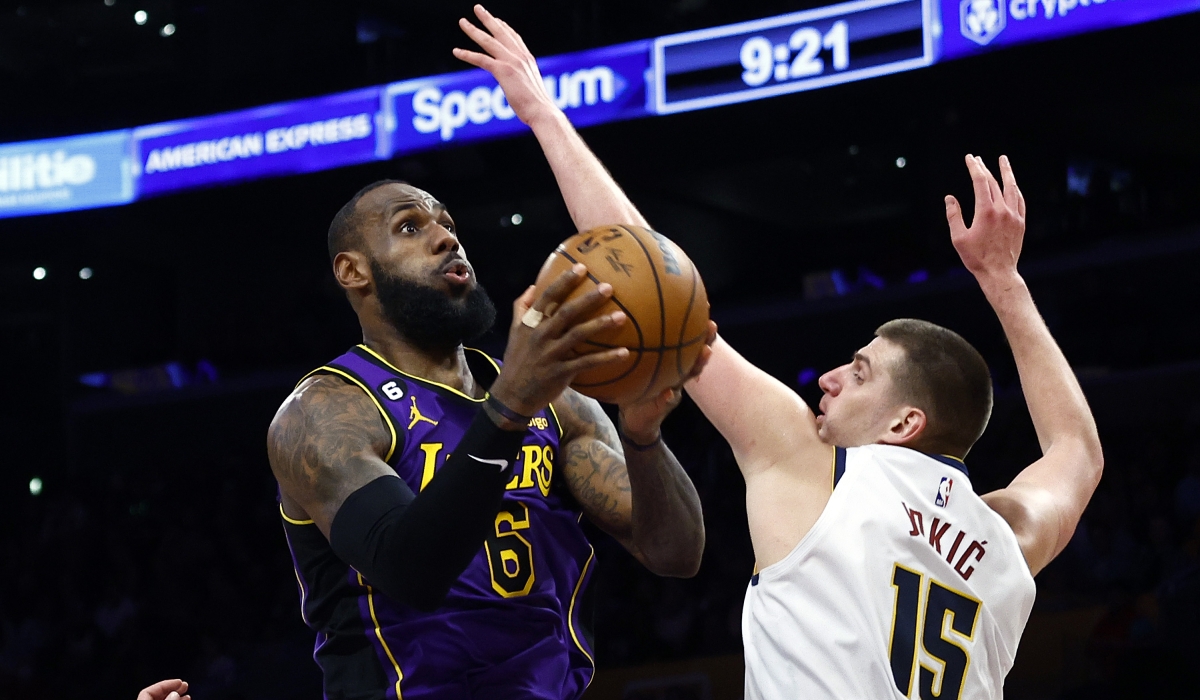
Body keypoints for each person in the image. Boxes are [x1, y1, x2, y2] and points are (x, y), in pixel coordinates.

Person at [266, 6, 708, 699]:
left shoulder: (559, 402)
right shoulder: (324, 414)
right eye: (410, 228)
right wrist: (508, 408)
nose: (447, 238)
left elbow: (676, 553)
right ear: (354, 273)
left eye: (447, 223)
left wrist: (645, 438)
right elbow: (409, 571)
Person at [684, 155, 1104, 698]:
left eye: (859, 374)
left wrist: (546, 117)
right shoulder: (1007, 538)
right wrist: (1004, 280)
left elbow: (659, 293)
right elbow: (1078, 450)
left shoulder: (818, 473)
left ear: (906, 423)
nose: (829, 379)